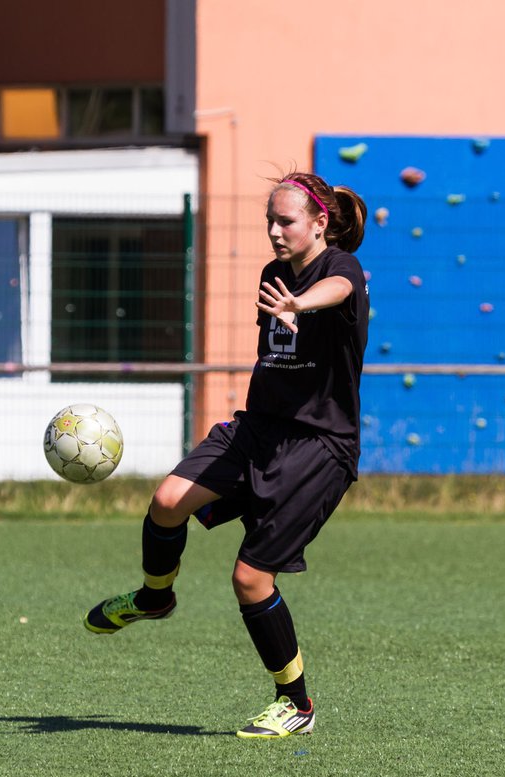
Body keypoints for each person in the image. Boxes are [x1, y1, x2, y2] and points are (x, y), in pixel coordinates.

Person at [84, 171, 369, 739]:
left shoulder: (340, 269)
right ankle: (154, 597)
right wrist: (286, 299)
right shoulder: (271, 274)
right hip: (257, 429)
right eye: (269, 219)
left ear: (319, 223)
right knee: (167, 501)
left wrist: (300, 303)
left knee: (250, 579)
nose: (274, 230)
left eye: (285, 221)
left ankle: (296, 704)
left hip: (317, 445)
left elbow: (335, 292)